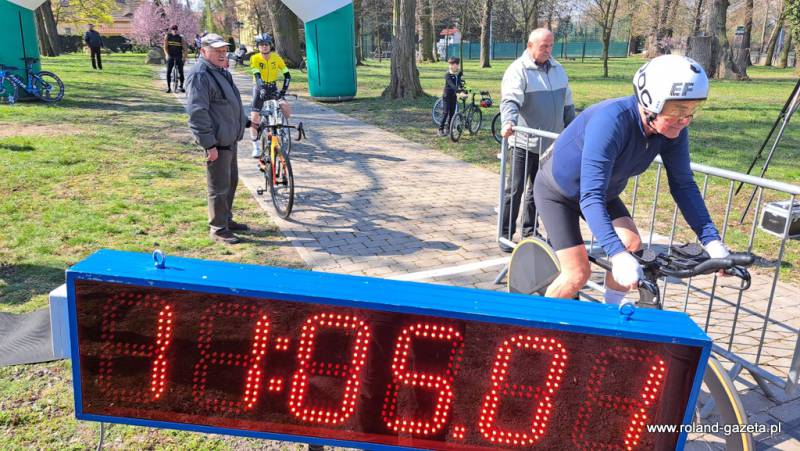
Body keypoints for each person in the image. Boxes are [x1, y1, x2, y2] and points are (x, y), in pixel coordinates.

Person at [533, 54, 730, 304]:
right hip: (558, 193)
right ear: (650, 101)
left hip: (603, 192)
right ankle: (532, 323)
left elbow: (684, 185)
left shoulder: (672, 129)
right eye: (677, 110)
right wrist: (615, 254)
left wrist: (711, 241)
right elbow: (590, 195)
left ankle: (609, 315)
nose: (684, 120)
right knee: (577, 274)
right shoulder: (611, 121)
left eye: (691, 110)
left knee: (632, 244)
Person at [498, 28, 575, 252]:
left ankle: (530, 231)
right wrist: (508, 122)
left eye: (551, 45)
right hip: (524, 143)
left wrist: (573, 129)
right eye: (544, 46)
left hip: (550, 145)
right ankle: (505, 233)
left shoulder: (558, 69)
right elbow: (510, 100)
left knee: (539, 190)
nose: (548, 50)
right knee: (515, 190)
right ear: (530, 46)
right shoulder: (518, 70)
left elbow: (567, 102)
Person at [185, 33, 251, 245]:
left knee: (230, 182)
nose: (223, 55)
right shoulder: (200, 75)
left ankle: (226, 220)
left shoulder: (221, 71)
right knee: (218, 187)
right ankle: (218, 228)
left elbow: (229, 105)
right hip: (217, 143)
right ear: (203, 51)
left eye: (224, 50)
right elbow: (197, 113)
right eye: (217, 51)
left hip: (229, 140)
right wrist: (209, 144)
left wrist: (247, 122)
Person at [248, 33, 291, 158]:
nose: (264, 47)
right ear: (258, 46)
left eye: (266, 44)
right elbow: (257, 75)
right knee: (254, 116)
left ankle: (283, 131)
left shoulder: (276, 58)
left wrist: (283, 90)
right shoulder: (255, 58)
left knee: (285, 107)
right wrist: (261, 88)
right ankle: (255, 146)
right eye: (261, 45)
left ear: (270, 45)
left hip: (272, 87)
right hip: (259, 88)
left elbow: (287, 74)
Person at [438, 56, 465, 137]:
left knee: (452, 113)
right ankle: (440, 129)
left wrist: (463, 90)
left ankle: (448, 129)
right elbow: (452, 85)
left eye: (454, 64)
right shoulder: (447, 75)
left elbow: (459, 83)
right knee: (445, 112)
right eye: (450, 64)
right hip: (447, 96)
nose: (451, 66)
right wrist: (459, 92)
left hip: (453, 96)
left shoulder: (457, 74)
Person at [164, 25, 187, 93]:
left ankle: (181, 86)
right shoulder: (167, 36)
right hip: (170, 56)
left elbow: (185, 49)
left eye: (176, 29)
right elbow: (165, 47)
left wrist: (184, 58)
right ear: (171, 30)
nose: (175, 30)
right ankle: (169, 88)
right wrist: (166, 55)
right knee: (168, 72)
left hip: (178, 56)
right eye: (173, 29)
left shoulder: (181, 37)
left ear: (177, 30)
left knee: (181, 72)